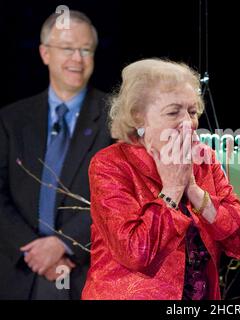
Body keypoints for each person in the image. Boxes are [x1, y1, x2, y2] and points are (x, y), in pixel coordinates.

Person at [81, 58, 240, 300]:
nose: (188, 122)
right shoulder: (111, 164)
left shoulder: (204, 159)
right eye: (173, 112)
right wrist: (173, 188)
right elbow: (136, 253)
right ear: (138, 117)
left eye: (192, 111)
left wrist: (196, 193)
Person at [0, 10, 112, 299]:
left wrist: (62, 245)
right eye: (67, 48)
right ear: (44, 53)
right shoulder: (12, 119)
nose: (77, 58)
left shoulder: (116, 119)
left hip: (86, 272)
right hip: (21, 272)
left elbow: (117, 197)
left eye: (86, 49)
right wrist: (34, 251)